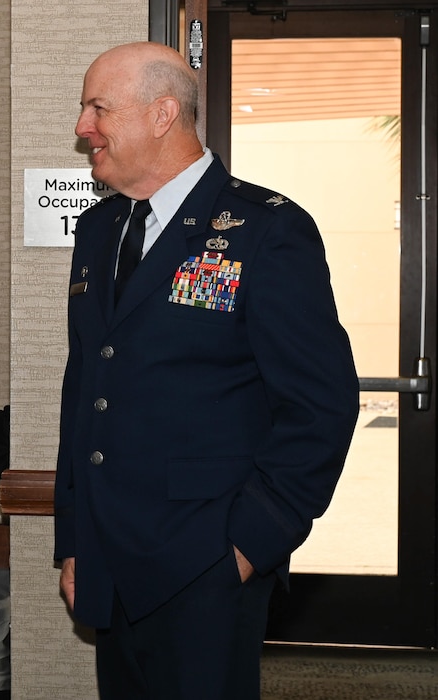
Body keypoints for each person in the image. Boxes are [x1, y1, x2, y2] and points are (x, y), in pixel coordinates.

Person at [54, 41, 359, 699]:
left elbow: (321, 406)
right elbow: (85, 390)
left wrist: (250, 545)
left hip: (206, 563)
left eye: (97, 107)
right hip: (110, 557)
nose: (83, 127)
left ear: (163, 114)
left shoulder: (266, 231)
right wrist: (74, 540)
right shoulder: (98, 230)